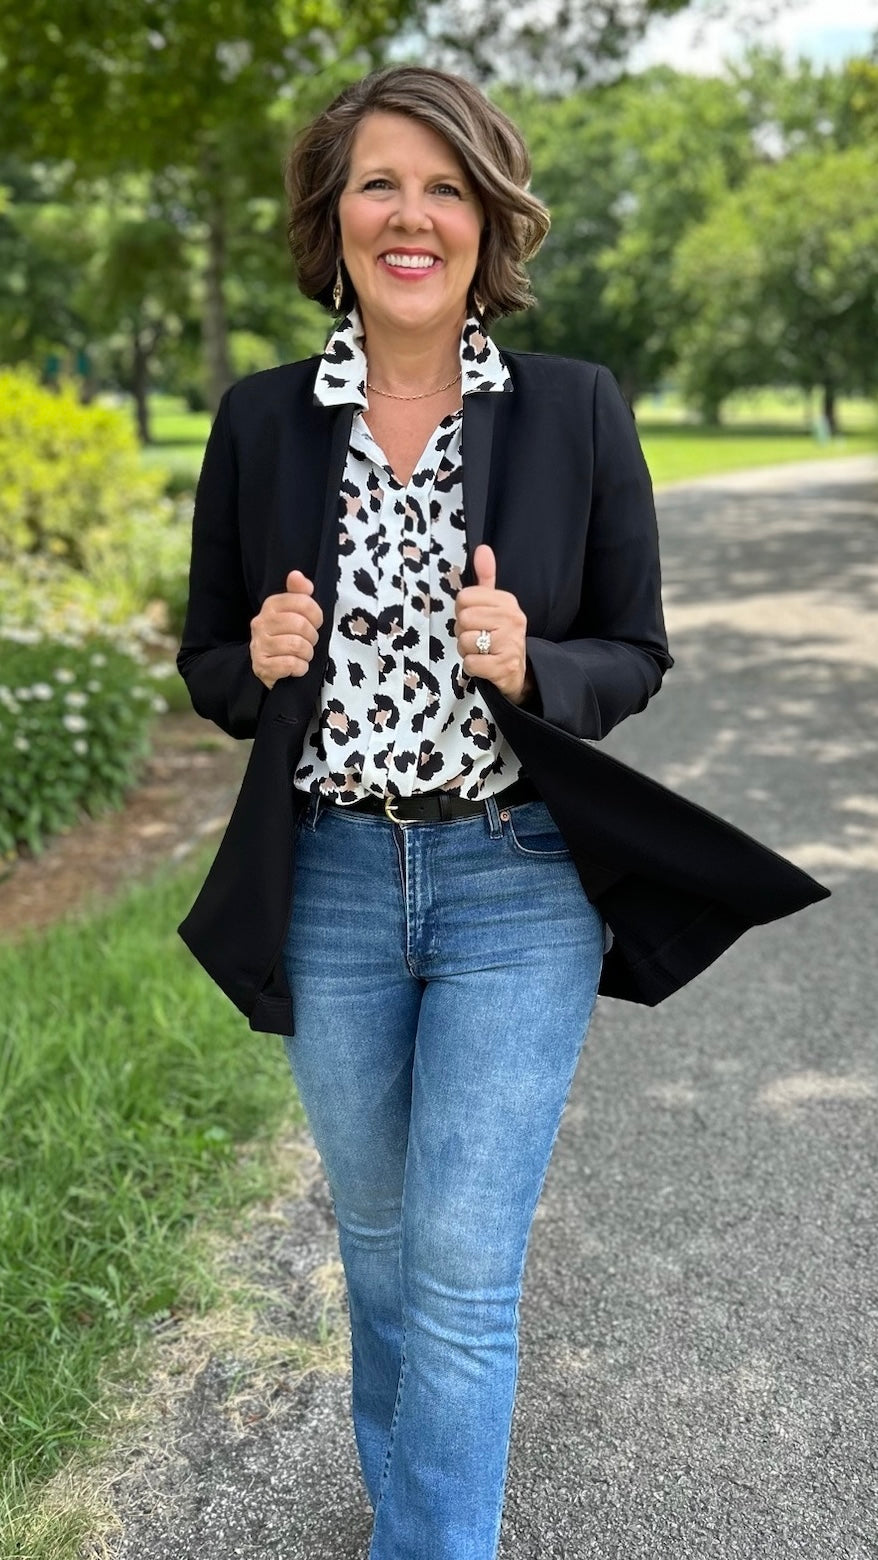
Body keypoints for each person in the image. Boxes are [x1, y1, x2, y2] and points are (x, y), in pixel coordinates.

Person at [176, 65, 828, 1560]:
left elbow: (636, 649)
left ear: (487, 219)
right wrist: (251, 662)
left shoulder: (572, 411)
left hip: (513, 880)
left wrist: (535, 659)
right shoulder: (262, 420)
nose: (413, 215)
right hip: (330, 878)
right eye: (380, 184)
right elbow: (212, 651)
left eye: (445, 186)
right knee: (385, 1255)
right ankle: (413, 1509)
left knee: (463, 1268)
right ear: (330, 219)